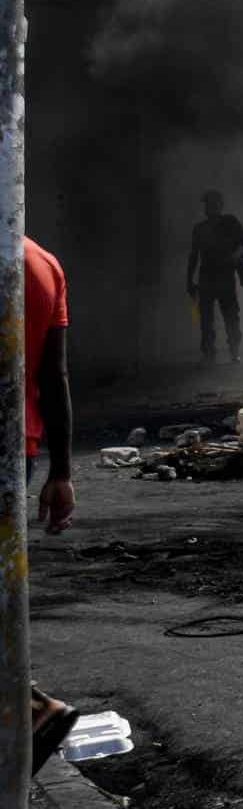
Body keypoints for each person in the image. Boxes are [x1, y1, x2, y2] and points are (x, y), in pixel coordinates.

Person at [24, 236, 79, 774]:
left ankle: (33, 708)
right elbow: (53, 376)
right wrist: (60, 472)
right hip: (19, 448)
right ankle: (31, 708)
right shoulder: (42, 262)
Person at [187, 190, 243, 364]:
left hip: (225, 275)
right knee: (206, 318)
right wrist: (189, 280)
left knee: (231, 315)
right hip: (207, 277)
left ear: (220, 205)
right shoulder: (200, 229)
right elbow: (194, 256)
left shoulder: (230, 222)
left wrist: (236, 260)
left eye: (213, 203)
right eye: (207, 204)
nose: (209, 207)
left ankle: (234, 349)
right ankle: (208, 352)